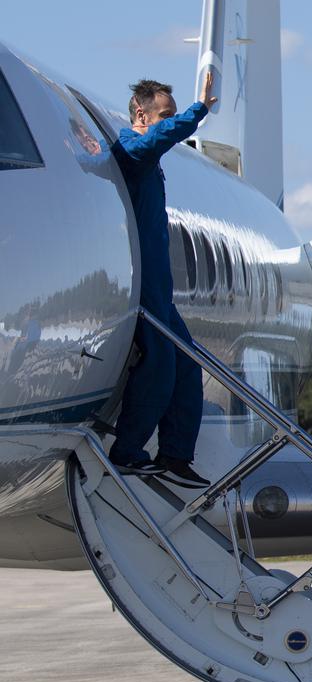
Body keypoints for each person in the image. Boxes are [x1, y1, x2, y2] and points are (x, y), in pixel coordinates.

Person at [107, 72, 216, 488]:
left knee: (188, 364)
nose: (170, 122)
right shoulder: (132, 149)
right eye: (164, 114)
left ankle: (174, 455)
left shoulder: (148, 156)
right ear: (141, 113)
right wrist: (198, 110)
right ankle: (128, 452)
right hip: (142, 284)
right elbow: (158, 139)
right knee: (159, 364)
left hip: (160, 286)